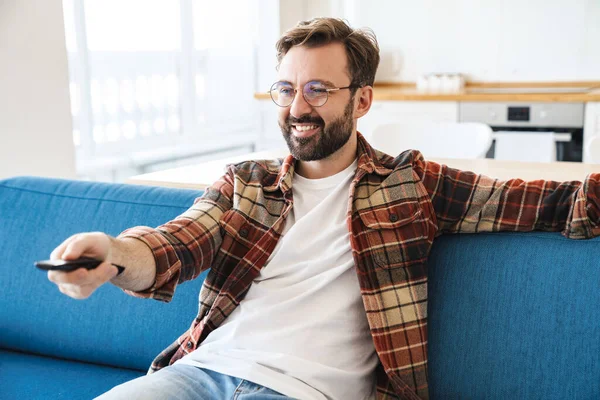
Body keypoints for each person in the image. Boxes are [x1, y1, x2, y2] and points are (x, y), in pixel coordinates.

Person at [47, 17, 600, 400]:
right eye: (285, 90)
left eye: (317, 89)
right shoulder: (246, 185)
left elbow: (555, 203)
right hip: (201, 375)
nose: (297, 107)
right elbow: (174, 244)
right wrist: (115, 254)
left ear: (361, 100)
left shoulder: (412, 184)